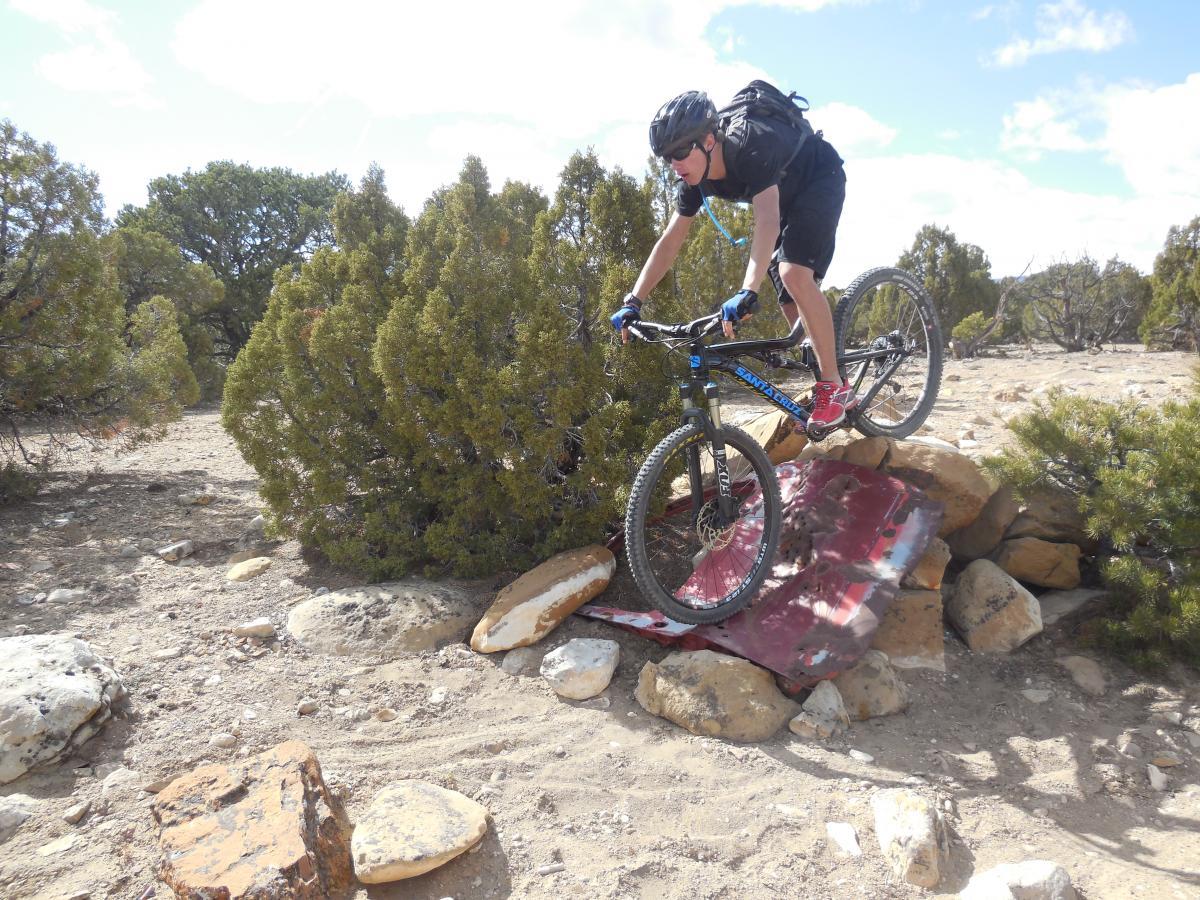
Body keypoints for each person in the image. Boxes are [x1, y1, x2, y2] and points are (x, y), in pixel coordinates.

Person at [611, 89, 853, 429]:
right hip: (783, 196)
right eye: (667, 157)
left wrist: (747, 290)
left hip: (818, 178)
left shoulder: (750, 145)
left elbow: (767, 220)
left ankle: (836, 388)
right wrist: (634, 300)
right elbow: (670, 241)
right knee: (790, 303)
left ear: (709, 140)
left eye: (680, 151)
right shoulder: (691, 179)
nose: (674, 164)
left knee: (794, 273)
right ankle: (826, 373)